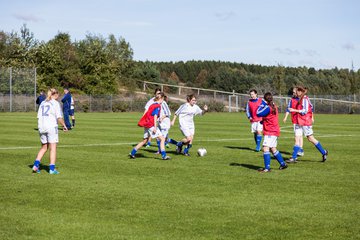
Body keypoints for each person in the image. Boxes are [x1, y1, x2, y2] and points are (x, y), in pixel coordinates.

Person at [287, 86, 328, 163]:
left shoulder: (305, 99)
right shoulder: (300, 98)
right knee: (297, 138)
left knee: (310, 138)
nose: (296, 93)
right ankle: (294, 157)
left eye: (297, 91)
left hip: (305, 122)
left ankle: (324, 152)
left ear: (301, 92)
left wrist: (294, 110)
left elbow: (305, 111)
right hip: (299, 121)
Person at [32, 88, 68, 174]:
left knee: (44, 147)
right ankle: (52, 169)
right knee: (53, 148)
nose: (58, 96)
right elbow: (59, 117)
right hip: (51, 127)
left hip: (41, 127)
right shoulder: (55, 103)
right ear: (54, 95)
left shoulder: (43, 103)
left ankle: (35, 165)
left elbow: (38, 116)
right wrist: (64, 126)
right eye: (57, 94)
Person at [129, 92, 170, 160]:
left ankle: (132, 153)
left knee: (145, 140)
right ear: (161, 99)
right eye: (163, 99)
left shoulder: (152, 105)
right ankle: (164, 156)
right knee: (162, 139)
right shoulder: (158, 106)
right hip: (151, 125)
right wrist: (155, 127)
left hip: (147, 125)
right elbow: (155, 116)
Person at [256, 92, 288, 172]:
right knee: (273, 149)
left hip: (270, 131)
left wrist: (262, 103)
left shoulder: (268, 107)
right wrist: (263, 121)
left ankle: (267, 168)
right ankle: (283, 164)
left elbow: (258, 113)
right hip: (274, 130)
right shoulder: (273, 106)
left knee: (265, 148)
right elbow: (269, 117)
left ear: (265, 100)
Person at [283, 87, 305, 157]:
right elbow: (288, 109)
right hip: (295, 120)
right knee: (299, 136)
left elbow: (306, 110)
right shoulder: (292, 100)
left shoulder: (302, 99)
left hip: (300, 120)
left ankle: (297, 151)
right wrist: (285, 117)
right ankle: (300, 150)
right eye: (293, 92)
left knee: (297, 136)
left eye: (294, 92)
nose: (293, 93)